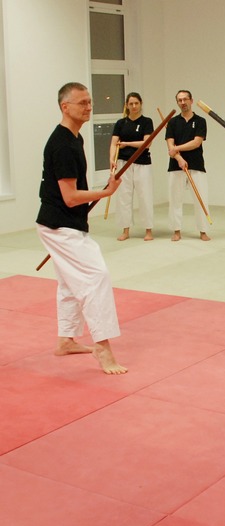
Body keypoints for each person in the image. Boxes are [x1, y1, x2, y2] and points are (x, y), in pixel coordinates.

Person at [35, 82, 127, 375]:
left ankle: (66, 340)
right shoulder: (62, 144)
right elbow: (71, 197)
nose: (89, 107)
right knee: (95, 276)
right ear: (65, 107)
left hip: (63, 222)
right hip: (59, 226)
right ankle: (102, 346)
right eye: (82, 103)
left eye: (89, 101)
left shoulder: (75, 138)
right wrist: (106, 192)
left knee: (68, 283)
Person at [165, 89, 210, 241]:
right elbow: (169, 144)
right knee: (175, 200)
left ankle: (203, 231)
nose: (183, 102)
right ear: (177, 103)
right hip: (176, 166)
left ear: (191, 101)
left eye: (185, 99)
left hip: (196, 165)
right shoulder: (172, 122)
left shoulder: (200, 121)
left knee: (200, 199)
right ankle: (176, 231)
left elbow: (196, 143)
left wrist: (176, 149)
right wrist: (178, 158)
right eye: (180, 100)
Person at [110, 92, 154, 241]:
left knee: (145, 196)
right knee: (124, 196)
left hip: (142, 163)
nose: (134, 106)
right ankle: (125, 230)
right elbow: (114, 144)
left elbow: (147, 143)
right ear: (127, 106)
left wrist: (127, 143)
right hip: (123, 163)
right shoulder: (120, 123)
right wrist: (111, 159)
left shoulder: (147, 122)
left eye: (136, 103)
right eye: (131, 104)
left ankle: (148, 230)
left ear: (141, 104)